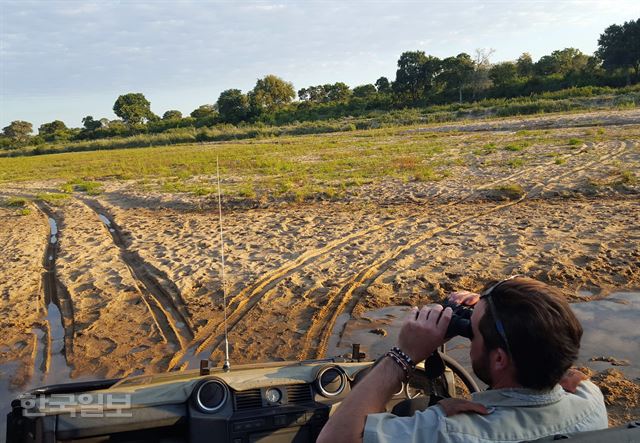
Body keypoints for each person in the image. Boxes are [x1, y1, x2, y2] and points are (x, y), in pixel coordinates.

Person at [317, 277, 608, 443]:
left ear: (498, 359)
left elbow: (334, 438)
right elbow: (554, 350)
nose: (469, 334)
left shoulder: (449, 431)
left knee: (411, 407)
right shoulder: (590, 400)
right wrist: (492, 310)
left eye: (473, 331)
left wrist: (403, 355)